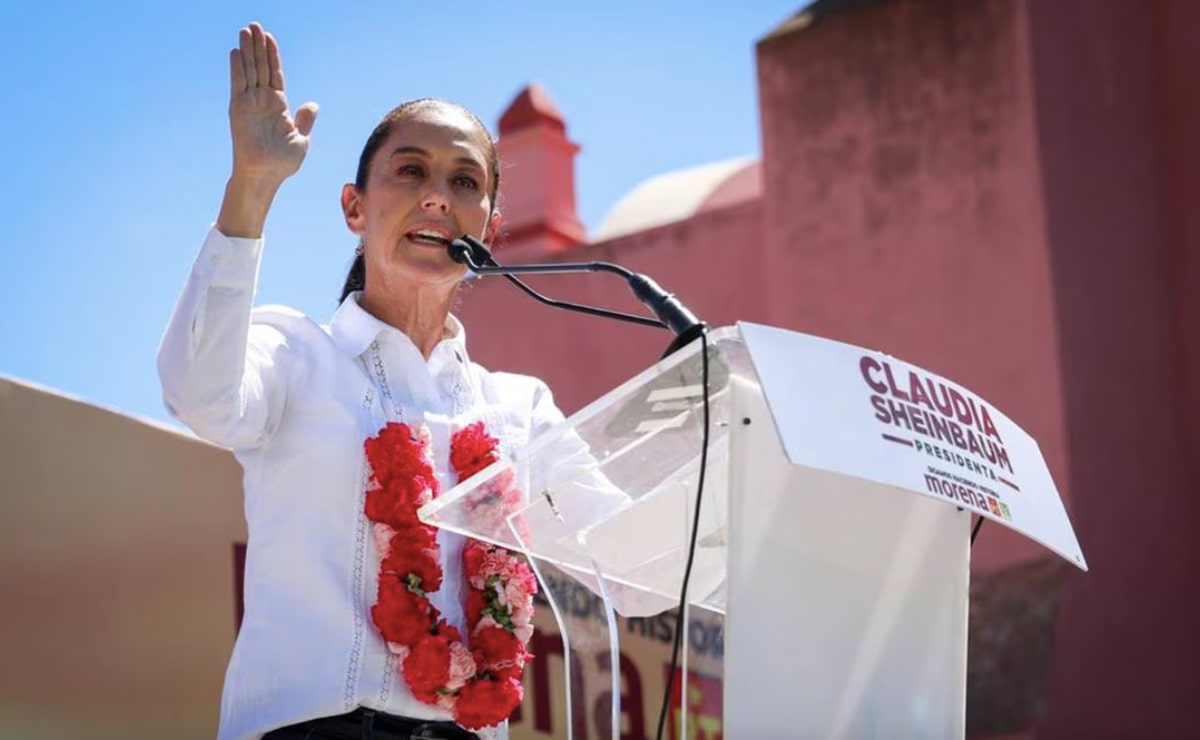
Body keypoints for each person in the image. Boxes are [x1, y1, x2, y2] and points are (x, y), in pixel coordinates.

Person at [158, 21, 564, 740]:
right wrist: (252, 184)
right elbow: (201, 395)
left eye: (464, 181)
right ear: (354, 208)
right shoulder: (296, 353)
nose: (438, 196)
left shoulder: (518, 408)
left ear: (489, 229)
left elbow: (630, 551)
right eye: (411, 171)